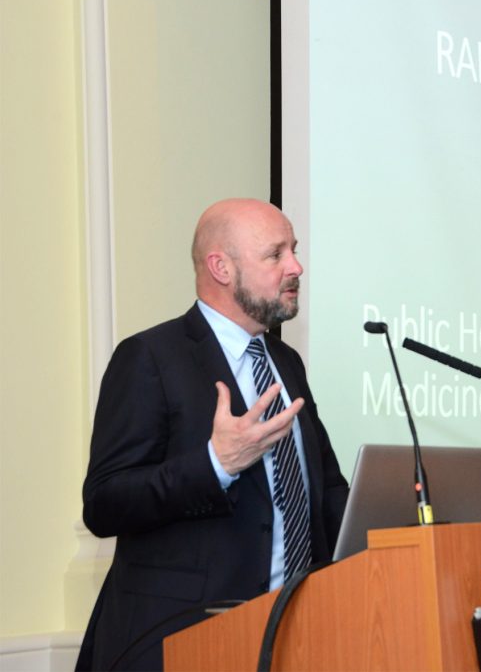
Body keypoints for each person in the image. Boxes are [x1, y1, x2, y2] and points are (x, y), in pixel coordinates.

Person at [75, 198, 349, 671]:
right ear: (221, 267)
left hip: (292, 638)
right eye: (276, 254)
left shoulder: (286, 363)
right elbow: (104, 503)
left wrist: (398, 525)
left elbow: (322, 489)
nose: (296, 267)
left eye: (294, 250)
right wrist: (214, 464)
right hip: (182, 642)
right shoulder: (150, 357)